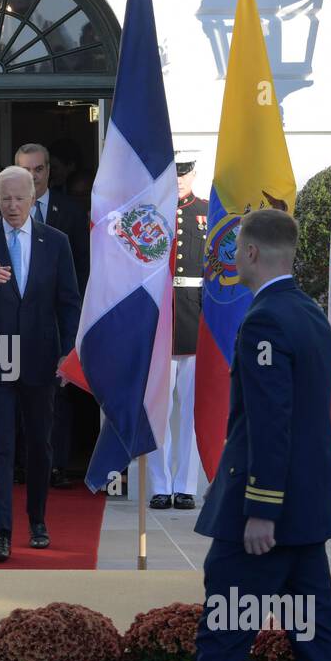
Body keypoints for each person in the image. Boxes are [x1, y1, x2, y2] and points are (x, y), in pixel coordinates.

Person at [101, 209, 331, 661]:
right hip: (306, 516)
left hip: (267, 519)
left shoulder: (265, 320)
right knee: (317, 636)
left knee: (223, 633)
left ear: (249, 254)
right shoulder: (311, 314)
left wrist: (262, 508)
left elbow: (272, 423)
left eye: (236, 249)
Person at [0, 166, 81, 562]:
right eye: (5, 198)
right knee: (1, 445)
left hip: (41, 357)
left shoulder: (56, 241)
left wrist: (69, 352)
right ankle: (3, 531)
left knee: (40, 445)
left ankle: (39, 521)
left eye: (19, 198)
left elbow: (68, 300)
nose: (12, 206)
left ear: (33, 197)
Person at [13, 143, 91, 489]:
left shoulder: (72, 211)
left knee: (58, 393)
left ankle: (57, 464)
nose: (32, 176)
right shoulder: (1, 210)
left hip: (58, 318)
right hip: (14, 321)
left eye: (39, 169)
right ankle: (21, 464)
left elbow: (84, 268)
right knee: (15, 392)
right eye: (25, 170)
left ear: (49, 171)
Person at [147, 151, 208, 511]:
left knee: (190, 411)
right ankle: (159, 483)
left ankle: (184, 485)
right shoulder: (155, 212)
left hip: (196, 317)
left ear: (194, 174)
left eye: (185, 173)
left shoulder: (207, 209)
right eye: (175, 173)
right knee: (158, 409)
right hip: (162, 320)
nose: (180, 179)